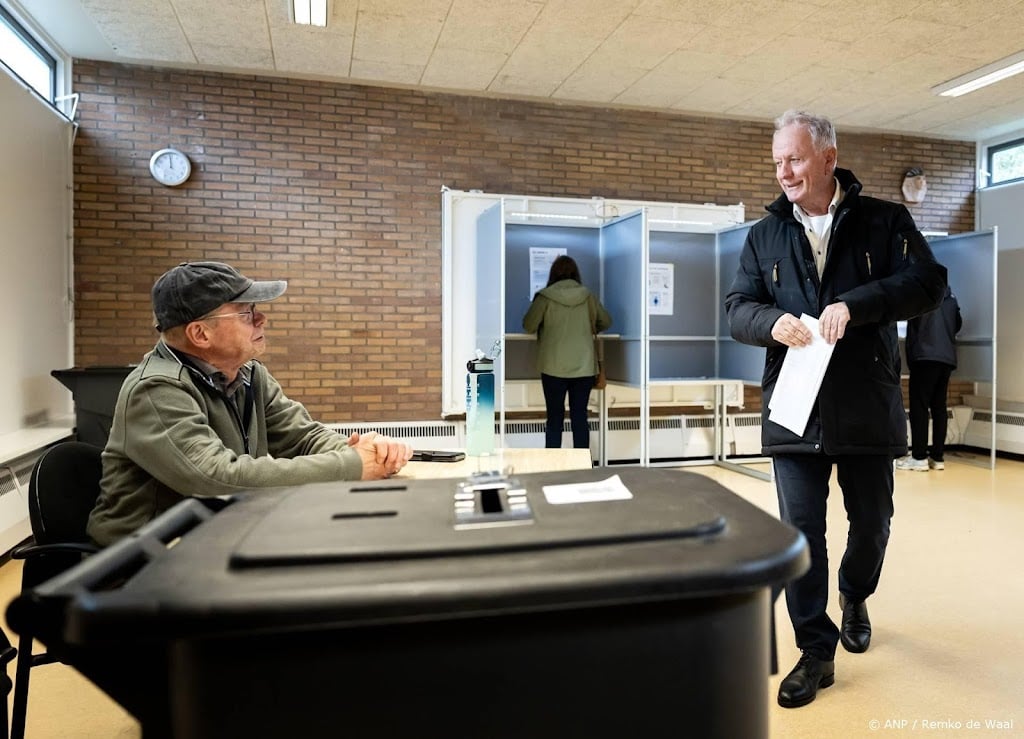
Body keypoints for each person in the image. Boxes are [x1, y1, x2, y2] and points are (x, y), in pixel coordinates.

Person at [725, 111, 946, 709]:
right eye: (777, 162)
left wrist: (858, 303)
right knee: (801, 535)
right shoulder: (764, 234)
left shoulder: (885, 221)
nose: (784, 171)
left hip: (866, 408)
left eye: (793, 159)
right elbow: (736, 307)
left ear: (827, 157)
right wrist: (773, 323)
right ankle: (815, 651)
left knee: (872, 524)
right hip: (794, 414)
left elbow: (930, 283)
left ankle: (855, 593)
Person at [87, 261, 413, 546]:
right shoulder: (155, 390)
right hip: (143, 563)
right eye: (246, 313)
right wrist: (353, 465)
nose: (262, 319)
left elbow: (302, 437)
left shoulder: (248, 374)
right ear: (200, 334)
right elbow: (217, 478)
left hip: (217, 538)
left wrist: (361, 450)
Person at [522, 255, 611, 449]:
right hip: (584, 367)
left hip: (553, 367)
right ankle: (582, 467)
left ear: (553, 273)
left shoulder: (545, 297)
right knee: (580, 417)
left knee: (554, 419)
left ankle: (554, 467)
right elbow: (606, 321)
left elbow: (529, 325)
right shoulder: (588, 296)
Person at [896, 286, 963, 471]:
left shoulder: (921, 293)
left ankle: (919, 457)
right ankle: (938, 457)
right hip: (946, 357)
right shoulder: (951, 297)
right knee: (939, 407)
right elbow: (958, 324)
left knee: (919, 406)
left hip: (924, 355)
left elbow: (905, 315)